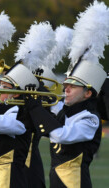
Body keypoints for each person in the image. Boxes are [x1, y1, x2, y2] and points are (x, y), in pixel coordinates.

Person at [24, 60, 107, 188]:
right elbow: (54, 110)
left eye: (73, 87)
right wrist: (38, 88)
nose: (66, 89)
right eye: (66, 85)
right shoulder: (66, 112)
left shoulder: (90, 119)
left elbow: (62, 135)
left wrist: (36, 108)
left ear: (88, 93)